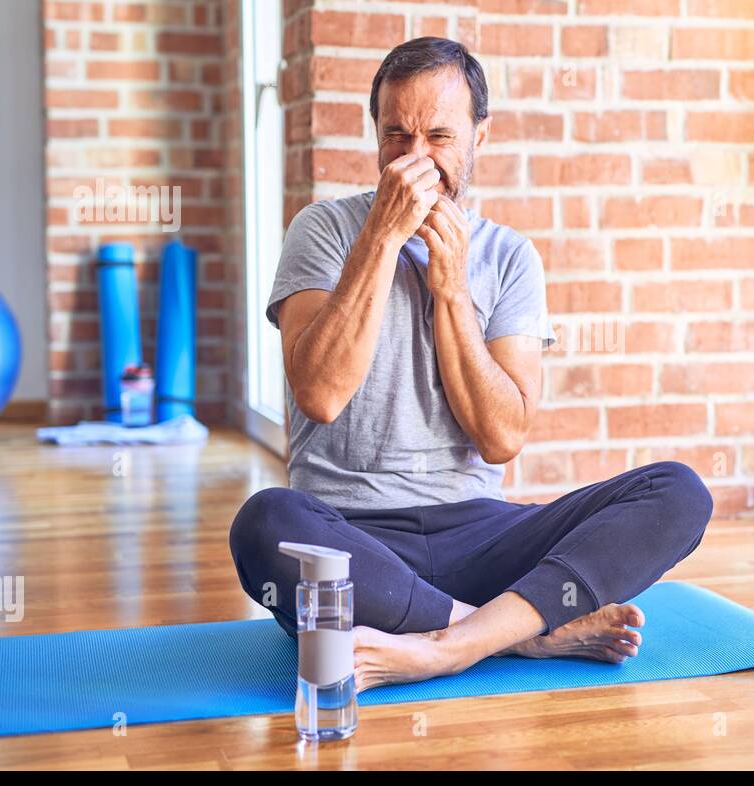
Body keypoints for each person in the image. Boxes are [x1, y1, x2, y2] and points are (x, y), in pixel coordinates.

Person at [229, 37, 713, 689]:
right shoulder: (322, 231)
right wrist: (381, 239)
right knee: (264, 524)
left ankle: (447, 644)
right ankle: (518, 635)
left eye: (437, 137)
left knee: (678, 492)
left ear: (479, 138)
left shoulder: (509, 258)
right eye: (396, 136)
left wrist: (452, 288)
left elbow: (501, 437)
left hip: (480, 536)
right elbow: (319, 392)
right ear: (375, 135)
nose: (415, 159)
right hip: (352, 537)